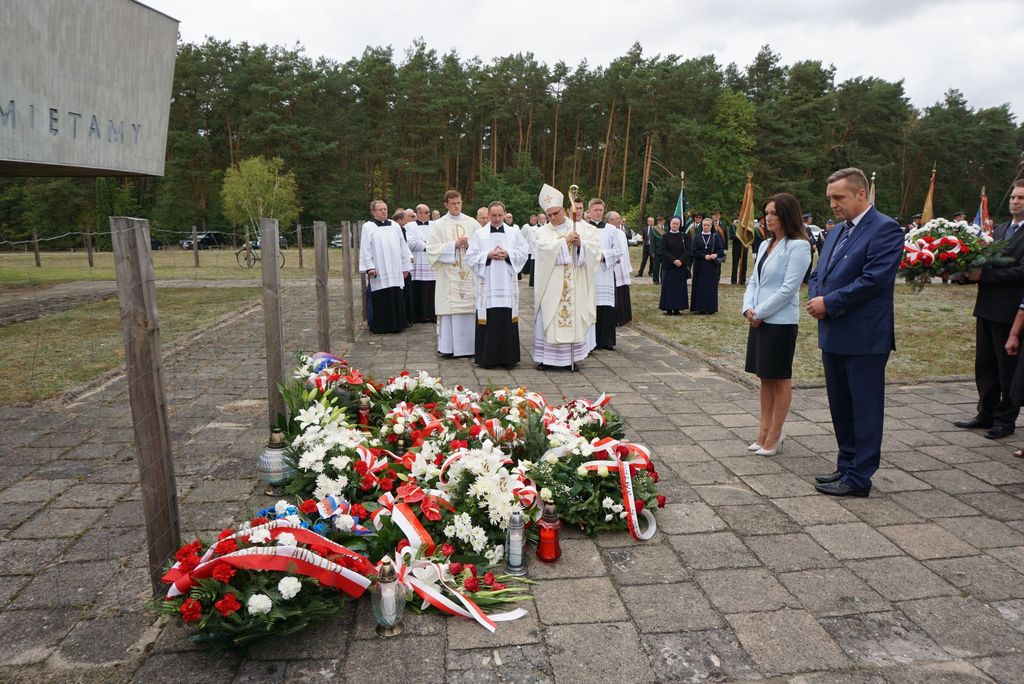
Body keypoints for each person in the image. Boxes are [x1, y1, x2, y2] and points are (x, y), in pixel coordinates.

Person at [807, 167, 903, 497]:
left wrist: (829, 303)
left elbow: (874, 280)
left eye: (839, 197)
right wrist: (816, 298)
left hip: (864, 336)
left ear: (861, 194)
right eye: (830, 198)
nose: (832, 204)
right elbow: (818, 273)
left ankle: (860, 476)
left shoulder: (885, 229)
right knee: (841, 406)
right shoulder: (837, 231)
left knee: (864, 409)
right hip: (834, 331)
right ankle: (846, 464)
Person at [742, 193, 813, 456]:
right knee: (765, 377)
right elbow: (754, 281)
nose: (768, 218)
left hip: (780, 322)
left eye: (773, 213)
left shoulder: (799, 246)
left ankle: (775, 433)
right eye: (766, 213)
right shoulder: (765, 245)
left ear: (787, 215)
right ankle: (763, 430)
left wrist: (760, 312)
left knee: (780, 378)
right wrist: (748, 309)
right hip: (758, 320)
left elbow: (788, 289)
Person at [954, 181, 1024, 439]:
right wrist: (963, 274)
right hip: (986, 308)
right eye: (1013, 197)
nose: (1015, 201)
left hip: (1010, 312)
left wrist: (984, 276)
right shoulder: (999, 230)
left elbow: (1021, 271)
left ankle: (1005, 420)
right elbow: (981, 261)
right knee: (985, 367)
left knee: (1008, 370)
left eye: (1021, 198)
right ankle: (986, 412)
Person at [533, 184, 598, 370]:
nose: (553, 217)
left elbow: (594, 251)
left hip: (574, 283)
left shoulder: (579, 228)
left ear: (563, 209)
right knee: (549, 317)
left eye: (556, 213)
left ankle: (571, 359)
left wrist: (580, 245)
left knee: (573, 317)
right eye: (550, 215)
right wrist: (565, 242)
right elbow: (543, 251)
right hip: (551, 284)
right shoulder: (542, 231)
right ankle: (546, 359)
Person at [466, 201, 528, 369]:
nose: (497, 219)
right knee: (490, 321)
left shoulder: (514, 232)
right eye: (493, 215)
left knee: (506, 320)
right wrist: (487, 255)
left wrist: (508, 254)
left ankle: (508, 359)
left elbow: (524, 252)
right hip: (488, 285)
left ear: (505, 214)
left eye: (500, 215)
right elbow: (470, 257)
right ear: (488, 215)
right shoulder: (479, 234)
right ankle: (488, 359)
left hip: (507, 284)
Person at [428, 191, 479, 358]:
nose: (456, 206)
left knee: (470, 309)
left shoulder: (472, 223)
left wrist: (469, 244)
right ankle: (449, 348)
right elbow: (432, 249)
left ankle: (471, 347)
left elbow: (482, 245)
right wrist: (453, 245)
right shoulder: (438, 225)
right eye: (453, 203)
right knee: (450, 310)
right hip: (448, 275)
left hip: (469, 274)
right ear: (446, 205)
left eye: (458, 203)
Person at [359, 200, 412, 334]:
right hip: (379, 268)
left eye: (385, 209)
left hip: (395, 268)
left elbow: (403, 246)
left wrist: (406, 266)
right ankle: (382, 326)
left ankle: (397, 324)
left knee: (396, 295)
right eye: (380, 209)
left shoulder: (394, 225)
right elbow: (365, 248)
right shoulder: (368, 227)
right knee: (381, 297)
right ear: (373, 212)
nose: (383, 211)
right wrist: (369, 267)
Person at [587, 198, 621, 350]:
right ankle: (590, 342)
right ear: (589, 211)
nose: (598, 212)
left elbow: (619, 251)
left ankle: (606, 340)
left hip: (605, 273)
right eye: (595, 210)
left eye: (600, 210)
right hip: (589, 274)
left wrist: (604, 255)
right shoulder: (584, 229)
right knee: (590, 306)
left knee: (605, 307)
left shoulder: (611, 230)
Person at [408, 204, 437, 323]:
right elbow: (410, 243)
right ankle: (420, 316)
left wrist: (426, 244)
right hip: (418, 262)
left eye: (428, 212)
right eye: (426, 212)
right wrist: (428, 245)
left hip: (432, 262)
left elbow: (438, 241)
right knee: (418, 289)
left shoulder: (435, 225)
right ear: (419, 213)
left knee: (433, 290)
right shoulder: (410, 226)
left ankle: (432, 314)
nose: (429, 214)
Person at [690, 217, 726, 314]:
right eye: (704, 225)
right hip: (700, 266)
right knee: (700, 287)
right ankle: (699, 308)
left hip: (711, 266)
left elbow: (721, 250)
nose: (706, 227)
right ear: (702, 226)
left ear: (711, 226)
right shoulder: (697, 237)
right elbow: (693, 251)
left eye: (708, 225)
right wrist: (703, 256)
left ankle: (710, 308)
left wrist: (716, 255)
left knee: (710, 288)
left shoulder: (715, 236)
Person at [659, 216, 690, 315]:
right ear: (670, 224)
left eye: (677, 224)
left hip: (680, 266)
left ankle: (677, 309)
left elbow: (688, 250)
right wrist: (673, 260)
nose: (675, 225)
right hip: (669, 266)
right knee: (669, 288)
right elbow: (663, 251)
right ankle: (668, 309)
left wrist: (681, 260)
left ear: (680, 225)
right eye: (673, 223)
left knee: (679, 288)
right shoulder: (665, 236)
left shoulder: (684, 236)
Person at [607, 210, 633, 325]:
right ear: (610, 220)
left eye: (619, 218)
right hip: (613, 267)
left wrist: (627, 265)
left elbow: (625, 251)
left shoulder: (621, 233)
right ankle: (616, 318)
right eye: (617, 218)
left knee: (623, 291)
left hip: (622, 267)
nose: (620, 220)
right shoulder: (607, 231)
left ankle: (624, 317)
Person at [727, 210, 749, 285]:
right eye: (740, 215)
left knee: (744, 265)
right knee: (735, 265)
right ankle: (734, 281)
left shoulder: (747, 225)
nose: (742, 217)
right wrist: (740, 238)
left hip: (744, 247)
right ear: (738, 216)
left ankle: (742, 281)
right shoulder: (733, 225)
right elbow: (731, 236)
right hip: (736, 247)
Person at [650, 216, 667, 284]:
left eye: (662, 220)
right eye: (659, 220)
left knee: (664, 267)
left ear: (664, 221)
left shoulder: (667, 228)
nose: (660, 221)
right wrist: (652, 251)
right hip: (656, 251)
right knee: (656, 267)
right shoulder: (654, 229)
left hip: (665, 251)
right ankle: (655, 280)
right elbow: (652, 241)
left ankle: (663, 280)